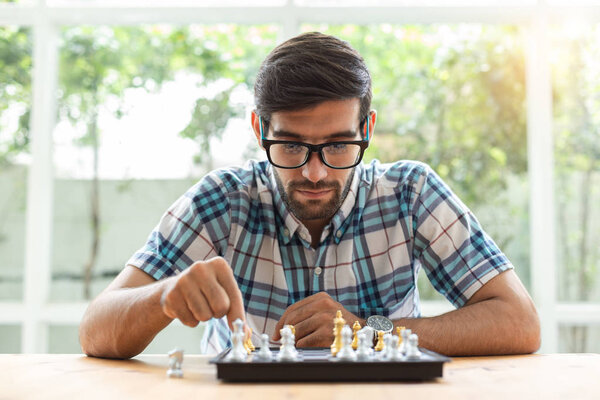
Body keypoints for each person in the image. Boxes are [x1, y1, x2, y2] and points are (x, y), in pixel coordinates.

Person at [79, 32, 540, 359]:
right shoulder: (221, 201)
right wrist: (162, 296)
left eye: (339, 144)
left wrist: (366, 330)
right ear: (260, 130)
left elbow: (519, 322)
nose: (315, 173)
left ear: (367, 129)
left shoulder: (411, 194)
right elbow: (95, 330)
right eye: (292, 145)